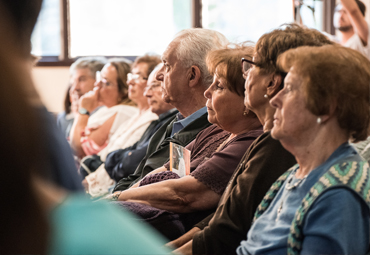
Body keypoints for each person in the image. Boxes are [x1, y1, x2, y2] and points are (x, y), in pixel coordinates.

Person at [0, 3, 171, 254]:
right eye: (74, 80)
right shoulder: (100, 113)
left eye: (101, 82)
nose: (81, 88)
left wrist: (82, 112)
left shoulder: (123, 112)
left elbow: (81, 147)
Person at [173, 24, 333, 255]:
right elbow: (219, 220)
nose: (245, 74)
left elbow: (228, 233)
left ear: (272, 82)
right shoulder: (270, 138)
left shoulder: (279, 144)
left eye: (250, 66)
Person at [108, 44, 263, 240]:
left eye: (219, 87)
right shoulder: (216, 129)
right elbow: (168, 167)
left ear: (247, 99)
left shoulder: (250, 140)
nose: (208, 92)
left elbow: (184, 194)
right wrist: (121, 196)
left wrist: (116, 198)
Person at [237, 44, 370, 255]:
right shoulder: (295, 174)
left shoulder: (340, 194)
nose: (275, 100)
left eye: (288, 89)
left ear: (326, 108)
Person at [112, 28, 229, 192]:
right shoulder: (174, 122)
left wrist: (114, 201)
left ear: (192, 76)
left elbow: (162, 189)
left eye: (167, 66)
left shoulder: (208, 131)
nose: (159, 76)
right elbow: (136, 177)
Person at [81, 55, 161, 197]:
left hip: (109, 191)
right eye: (131, 75)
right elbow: (109, 158)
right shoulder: (135, 116)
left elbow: (122, 164)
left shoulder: (151, 117)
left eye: (138, 76)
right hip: (95, 185)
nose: (130, 81)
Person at [104, 64, 178, 182]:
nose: (147, 94)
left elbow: (132, 164)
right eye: (147, 88)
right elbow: (113, 156)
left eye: (154, 86)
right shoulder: (158, 121)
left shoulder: (174, 123)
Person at [70, 58, 137, 159]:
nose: (97, 85)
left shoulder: (123, 112)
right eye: (99, 79)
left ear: (124, 91)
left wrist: (83, 110)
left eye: (106, 82)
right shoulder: (105, 109)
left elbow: (78, 147)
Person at [57, 57, 107, 139]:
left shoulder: (106, 114)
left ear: (99, 82)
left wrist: (81, 113)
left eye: (82, 80)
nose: (75, 88)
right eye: (73, 82)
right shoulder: (64, 118)